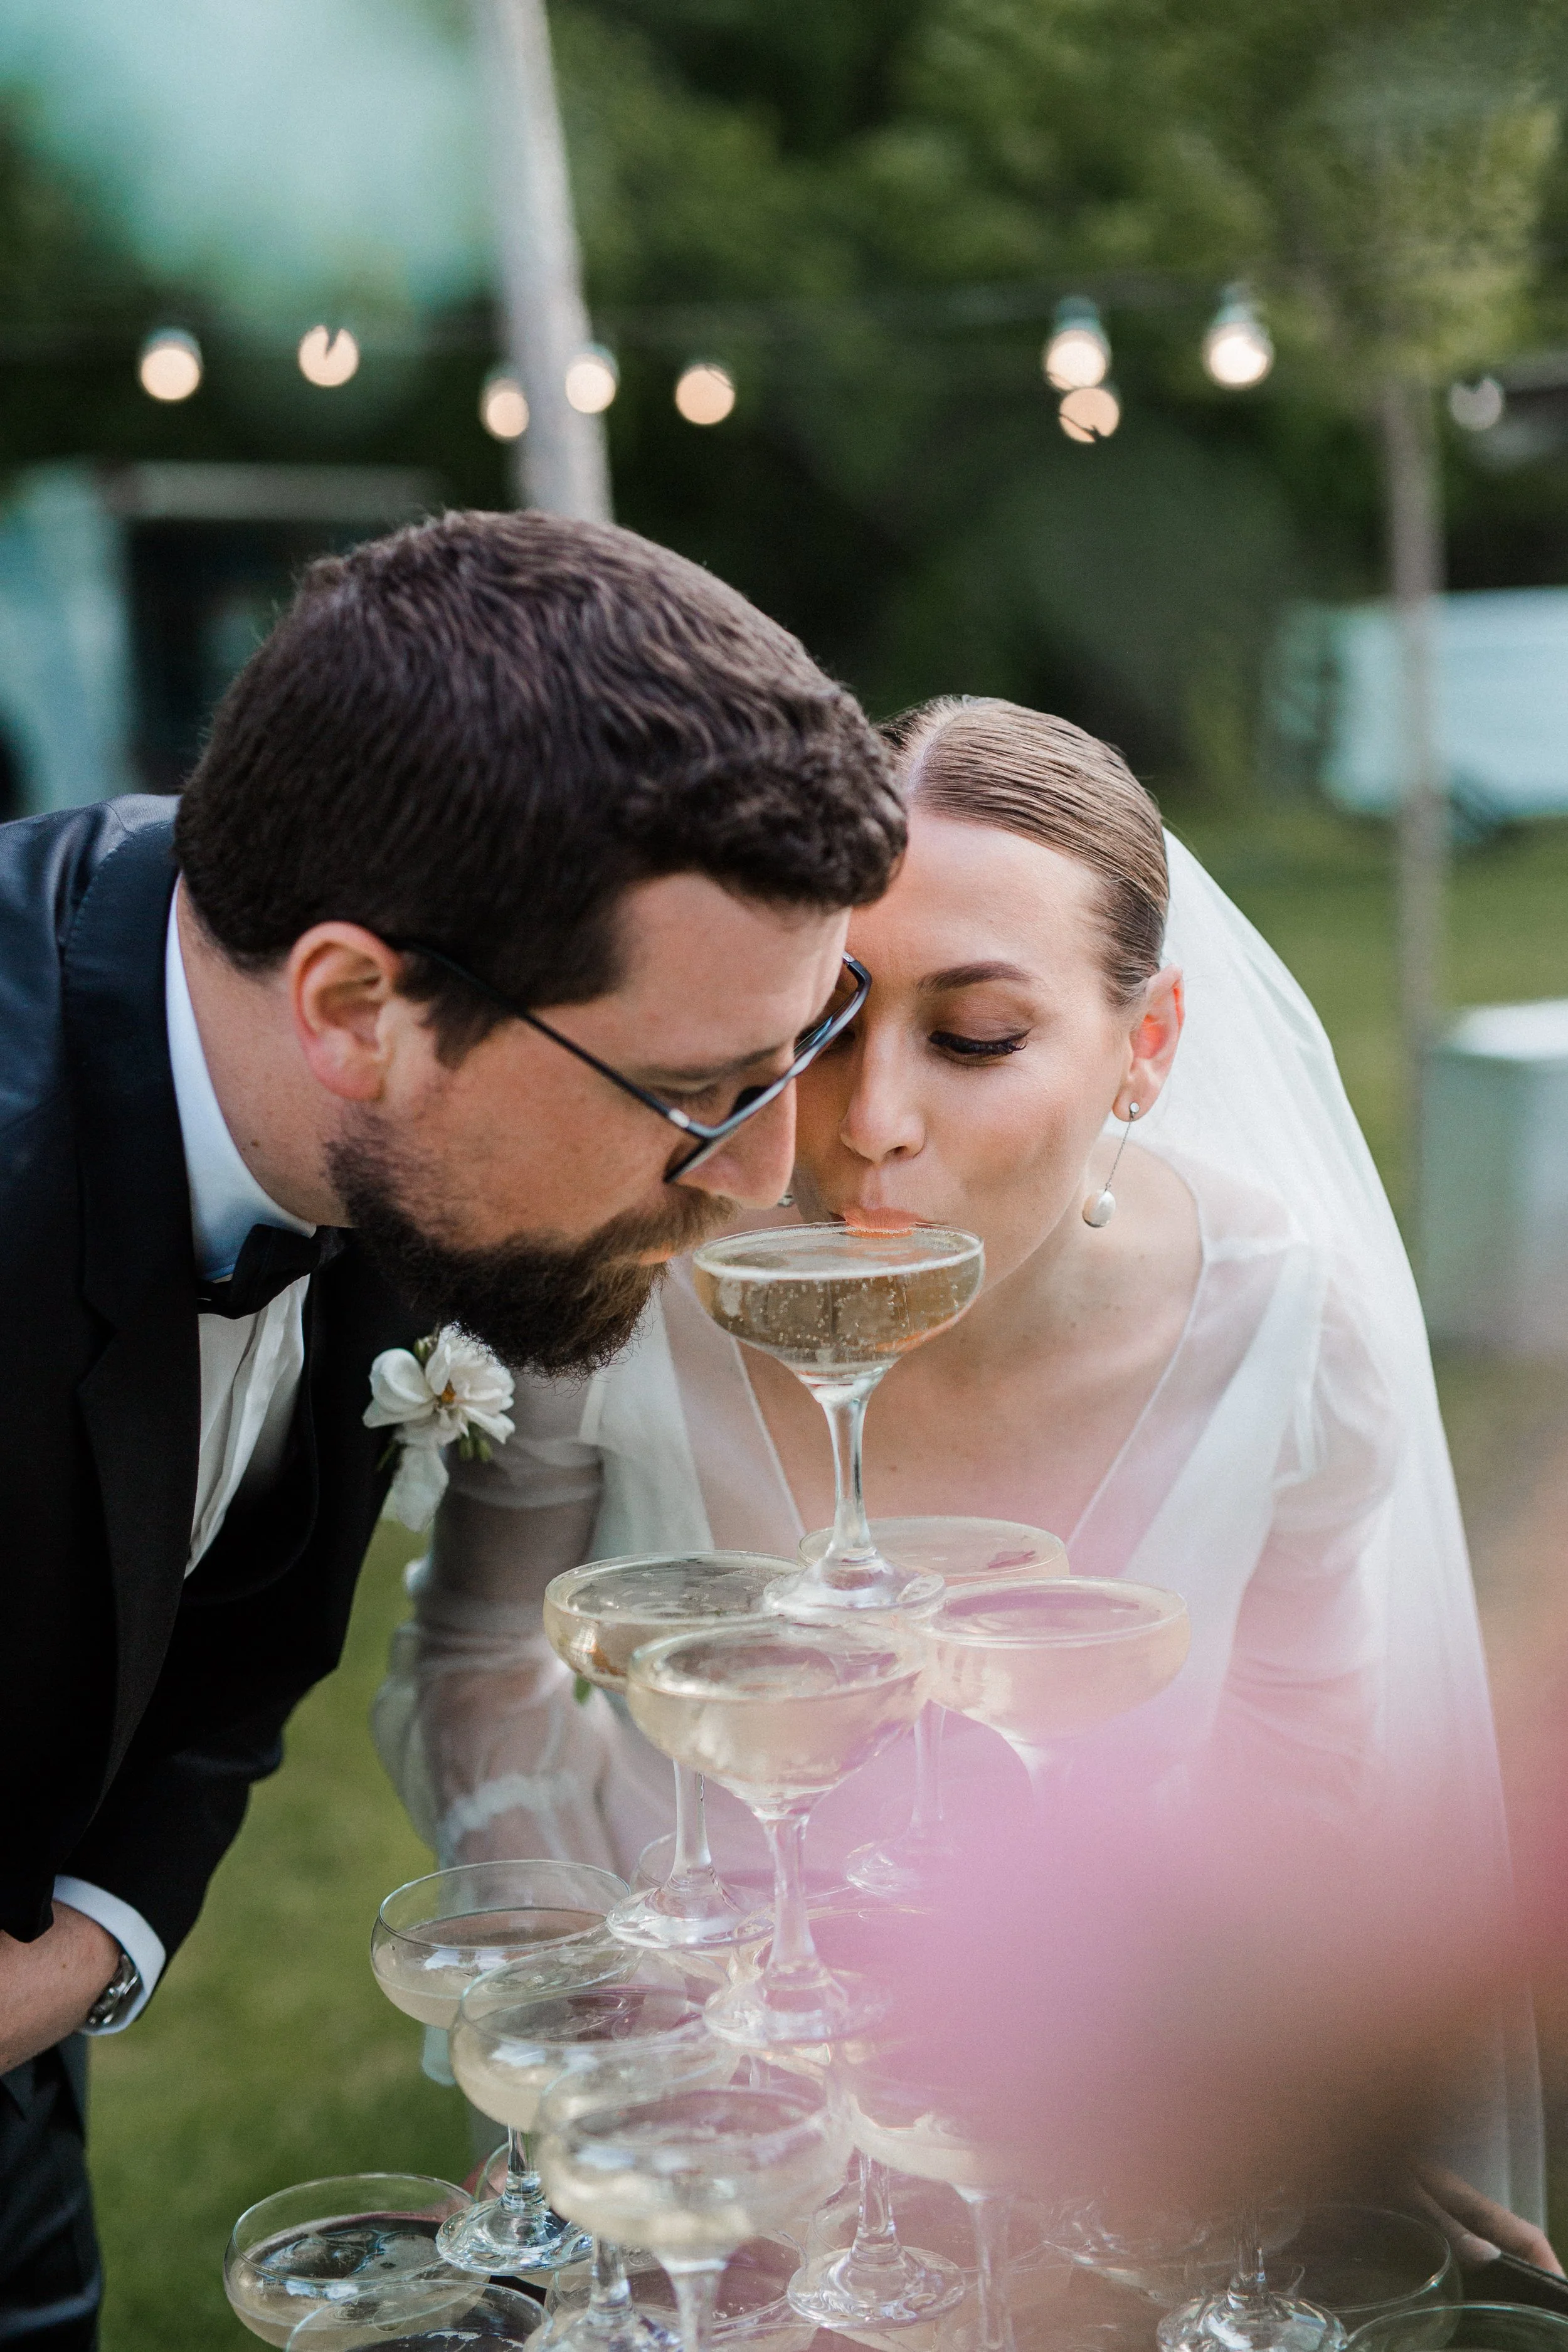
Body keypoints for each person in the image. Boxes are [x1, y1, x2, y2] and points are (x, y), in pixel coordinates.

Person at [380, 694, 1549, 2250]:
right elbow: (474, 1656)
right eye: (823, 1027)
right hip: (704, 2099)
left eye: (976, 1038)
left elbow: (1297, 1775)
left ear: (1146, 1049)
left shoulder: (1287, 1334)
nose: (870, 1126)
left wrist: (1251, 2083)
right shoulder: (622, 1287)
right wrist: (601, 2027)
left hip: (1098, 2092)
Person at [0, 507, 904, 2348]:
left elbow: (235, 1603)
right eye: (694, 1094)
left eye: (793, 1059)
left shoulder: (372, 1079)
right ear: (355, 1005)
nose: (757, 1181)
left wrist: (90, 1932)